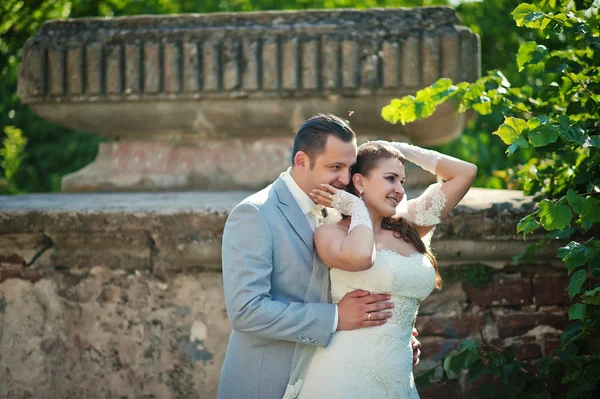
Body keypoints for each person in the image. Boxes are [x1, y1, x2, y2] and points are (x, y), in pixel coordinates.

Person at [219, 114, 413, 399]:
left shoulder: (339, 211)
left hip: (331, 377)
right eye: (335, 167)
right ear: (301, 161)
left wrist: (390, 340)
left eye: (349, 167)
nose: (346, 179)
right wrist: (335, 317)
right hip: (267, 382)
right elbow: (246, 310)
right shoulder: (255, 214)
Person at [284, 141, 477, 398]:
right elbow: (364, 257)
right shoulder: (330, 234)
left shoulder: (409, 226)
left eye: (402, 181)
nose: (399, 190)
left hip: (397, 376)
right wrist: (356, 208)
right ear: (360, 182)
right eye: (390, 179)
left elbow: (466, 172)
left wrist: (399, 149)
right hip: (343, 374)